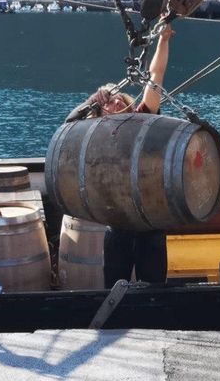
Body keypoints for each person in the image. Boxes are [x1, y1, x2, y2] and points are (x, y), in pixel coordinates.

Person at [65, 22, 175, 287]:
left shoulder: (142, 119)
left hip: (150, 223)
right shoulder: (94, 134)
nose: (115, 103)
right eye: (108, 102)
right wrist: (93, 99)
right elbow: (68, 128)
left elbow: (156, 76)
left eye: (118, 99)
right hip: (118, 224)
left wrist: (163, 41)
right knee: (114, 286)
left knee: (154, 287)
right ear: (100, 112)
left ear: (127, 102)